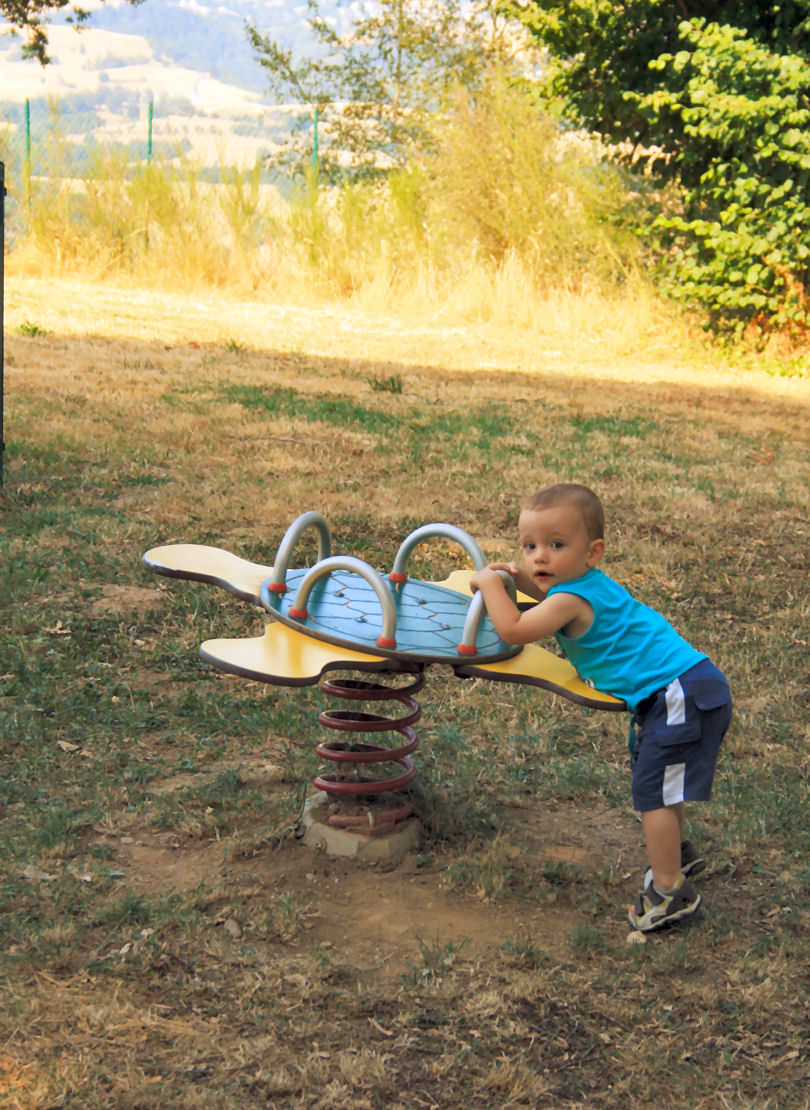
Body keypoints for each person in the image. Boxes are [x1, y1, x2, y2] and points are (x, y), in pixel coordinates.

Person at [469, 483, 732, 933]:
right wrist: (518, 579)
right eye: (529, 546)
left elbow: (513, 629)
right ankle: (677, 858)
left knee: (653, 793)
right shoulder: (583, 586)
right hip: (684, 690)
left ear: (592, 552)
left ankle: (670, 892)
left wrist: (491, 584)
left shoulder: (571, 599)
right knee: (662, 788)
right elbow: (545, 597)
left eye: (555, 545)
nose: (539, 558)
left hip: (678, 695)